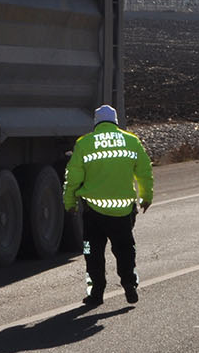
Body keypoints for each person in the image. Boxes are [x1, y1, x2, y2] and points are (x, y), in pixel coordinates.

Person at [62, 104, 154, 306]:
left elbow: (73, 177)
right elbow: (145, 171)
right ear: (116, 121)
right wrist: (146, 196)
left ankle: (96, 293)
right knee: (125, 249)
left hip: (93, 212)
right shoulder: (131, 141)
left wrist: (69, 202)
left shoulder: (84, 143)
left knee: (92, 252)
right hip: (123, 211)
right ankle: (129, 284)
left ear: (95, 122)